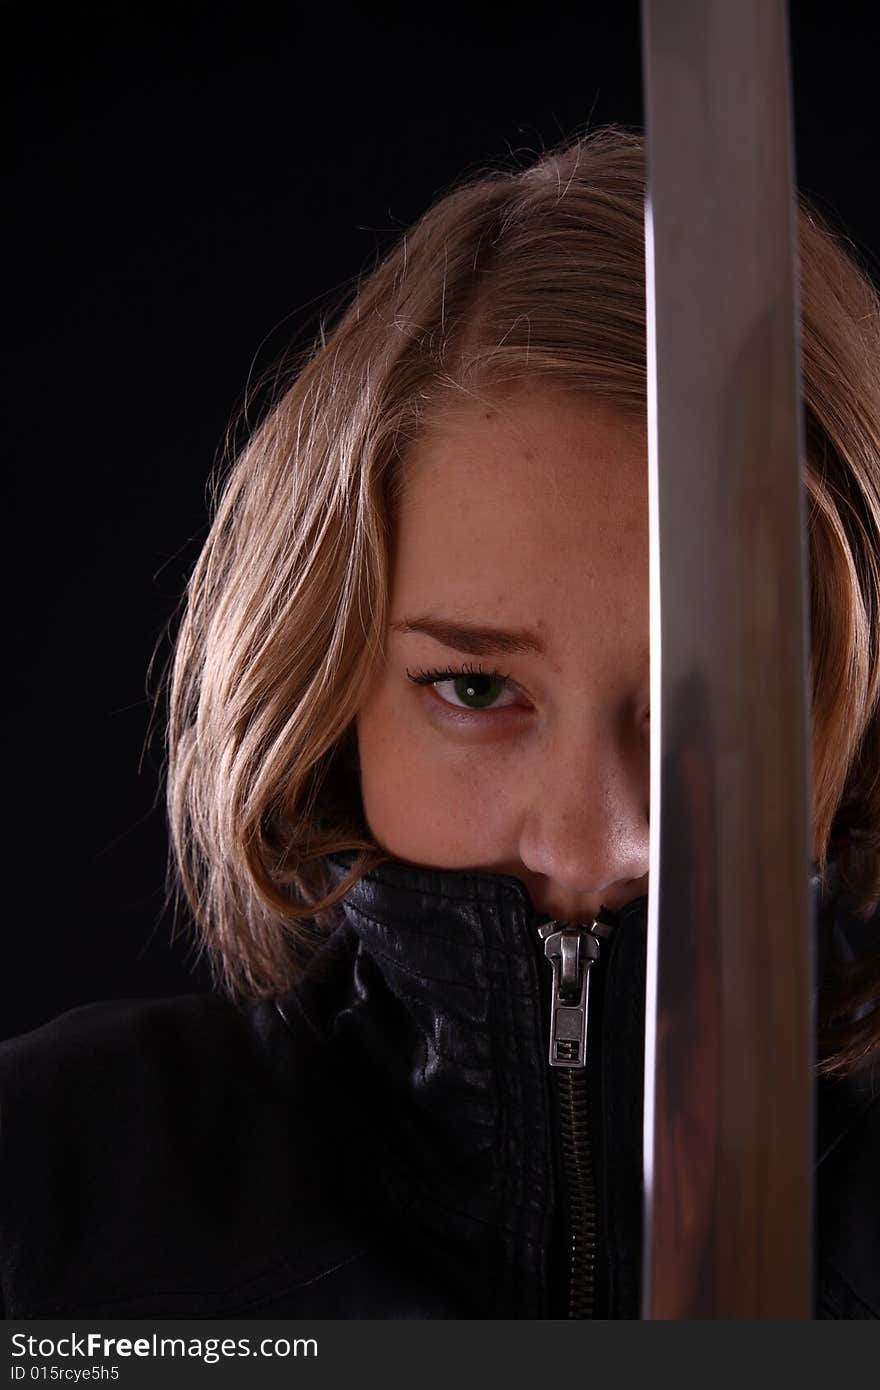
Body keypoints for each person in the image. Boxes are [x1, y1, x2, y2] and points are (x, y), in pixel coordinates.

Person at [1, 126, 878, 1320]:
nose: (590, 844)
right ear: (324, 685)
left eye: (715, 710)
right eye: (474, 690)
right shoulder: (52, 1182)